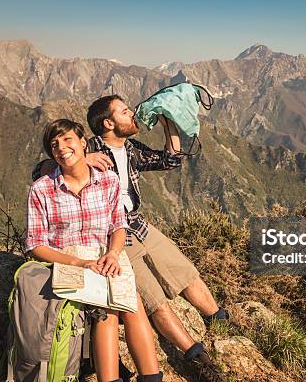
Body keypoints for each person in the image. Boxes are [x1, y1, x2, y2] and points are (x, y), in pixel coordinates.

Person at [35, 95, 229, 382]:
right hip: (115, 235)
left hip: (138, 224)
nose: (134, 115)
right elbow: (43, 168)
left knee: (185, 273)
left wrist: (168, 122)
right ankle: (196, 356)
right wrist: (82, 159)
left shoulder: (130, 148)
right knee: (152, 301)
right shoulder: (89, 146)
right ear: (109, 123)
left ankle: (221, 323)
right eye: (126, 112)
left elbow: (170, 159)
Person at [26, 119, 162, 382]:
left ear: (83, 144)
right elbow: (35, 245)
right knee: (107, 310)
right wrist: (78, 262)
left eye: (67, 140)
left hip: (105, 254)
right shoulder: (42, 189)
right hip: (68, 258)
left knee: (132, 303)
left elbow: (118, 225)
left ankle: (152, 378)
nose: (61, 147)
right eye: (54, 145)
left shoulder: (108, 181)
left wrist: (113, 253)